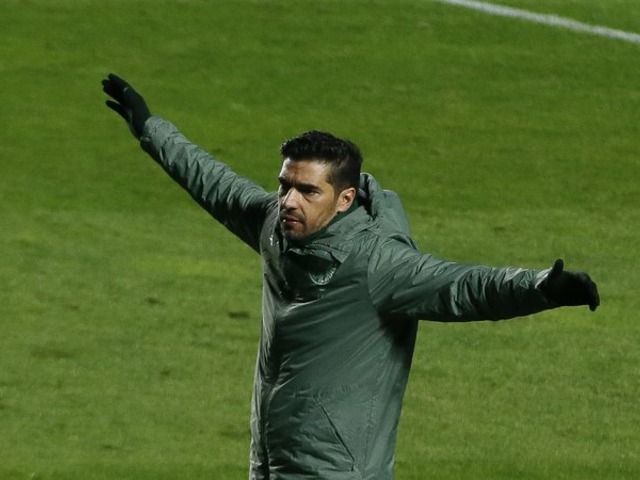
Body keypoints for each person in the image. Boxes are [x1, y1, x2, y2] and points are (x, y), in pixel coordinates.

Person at [101, 73, 600, 480]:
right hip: (273, 462)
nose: (288, 200)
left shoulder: (376, 264)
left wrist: (541, 287)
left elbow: (464, 287)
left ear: (344, 200)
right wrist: (150, 128)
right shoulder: (276, 226)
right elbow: (213, 182)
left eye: (307, 191)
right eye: (285, 184)